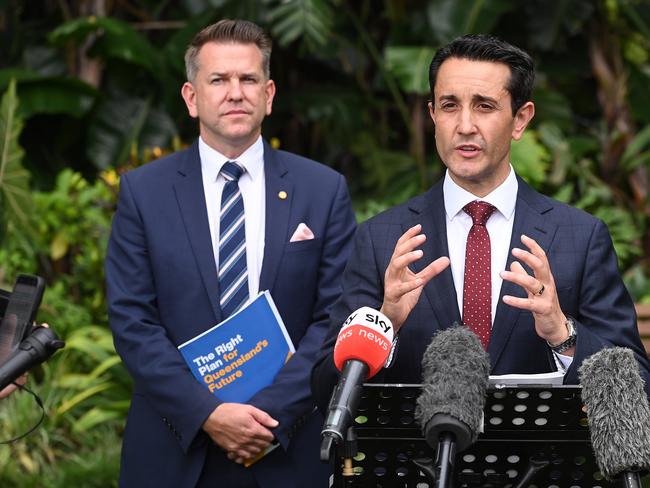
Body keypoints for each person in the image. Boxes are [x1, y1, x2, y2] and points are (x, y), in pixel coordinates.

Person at [312, 34, 650, 413]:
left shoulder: (580, 237)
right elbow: (325, 388)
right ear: (433, 116)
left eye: (485, 106)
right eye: (450, 106)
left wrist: (562, 333)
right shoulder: (382, 239)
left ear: (520, 120)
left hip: (539, 467)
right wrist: (384, 322)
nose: (465, 125)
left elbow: (637, 383)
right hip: (417, 467)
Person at [105, 19, 356, 487]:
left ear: (269, 93)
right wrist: (209, 413)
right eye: (218, 80)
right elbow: (131, 319)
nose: (235, 92)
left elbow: (336, 318)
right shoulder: (144, 192)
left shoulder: (322, 190)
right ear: (191, 97)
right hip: (175, 448)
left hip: (286, 446)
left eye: (248, 79)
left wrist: (268, 412)